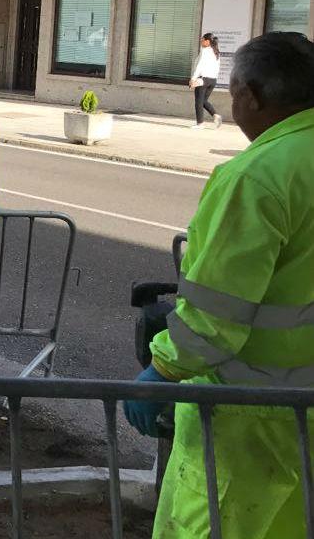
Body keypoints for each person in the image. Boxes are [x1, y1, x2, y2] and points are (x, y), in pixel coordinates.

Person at [124, 32, 314, 539]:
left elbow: (216, 313)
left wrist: (162, 370)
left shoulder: (258, 176)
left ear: (251, 95)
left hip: (247, 416)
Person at [190, 33, 223, 130]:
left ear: (207, 41)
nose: (201, 41)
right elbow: (217, 67)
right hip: (212, 80)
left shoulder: (205, 51)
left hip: (203, 79)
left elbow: (200, 65)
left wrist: (193, 78)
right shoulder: (216, 52)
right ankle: (216, 116)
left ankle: (200, 123)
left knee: (198, 102)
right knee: (204, 101)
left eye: (202, 39)